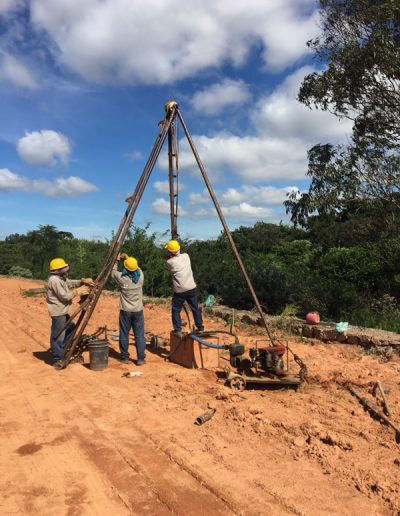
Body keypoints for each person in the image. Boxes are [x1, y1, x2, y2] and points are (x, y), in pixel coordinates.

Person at [46, 258, 92, 369]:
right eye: (63, 268)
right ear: (57, 270)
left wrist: (82, 281)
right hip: (58, 311)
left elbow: (69, 282)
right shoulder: (54, 280)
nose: (65, 269)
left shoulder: (60, 278)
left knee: (71, 327)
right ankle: (58, 358)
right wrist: (77, 291)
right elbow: (65, 296)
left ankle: (62, 349)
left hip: (63, 310)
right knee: (58, 334)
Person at [111, 253, 146, 365]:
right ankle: (140, 358)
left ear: (125, 268)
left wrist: (116, 260)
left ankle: (125, 357)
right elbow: (137, 268)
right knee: (139, 335)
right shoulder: (140, 277)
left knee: (124, 333)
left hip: (125, 310)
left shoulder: (122, 278)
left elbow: (112, 271)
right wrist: (129, 258)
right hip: (138, 310)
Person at [164, 240, 204, 334]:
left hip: (180, 291)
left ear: (169, 251)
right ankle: (200, 328)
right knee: (195, 308)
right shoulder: (186, 256)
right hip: (191, 288)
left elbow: (168, 266)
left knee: (176, 309)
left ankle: (178, 329)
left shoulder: (169, 262)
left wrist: (169, 257)